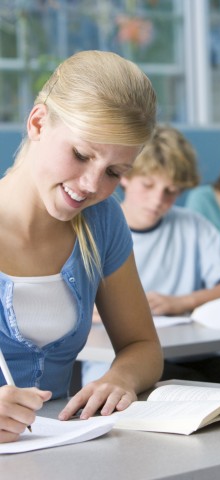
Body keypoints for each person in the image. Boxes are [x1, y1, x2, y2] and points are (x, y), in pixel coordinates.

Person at [0, 50, 163, 443]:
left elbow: (142, 346)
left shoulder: (101, 222)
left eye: (113, 172)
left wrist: (120, 377)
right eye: (81, 154)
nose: (91, 185)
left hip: (60, 449)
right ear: (38, 124)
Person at [82, 124, 220, 390]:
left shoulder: (192, 225)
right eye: (148, 185)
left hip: (197, 355)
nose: (158, 200)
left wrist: (183, 302)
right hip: (119, 362)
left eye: (171, 191)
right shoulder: (96, 226)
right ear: (125, 176)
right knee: (194, 389)